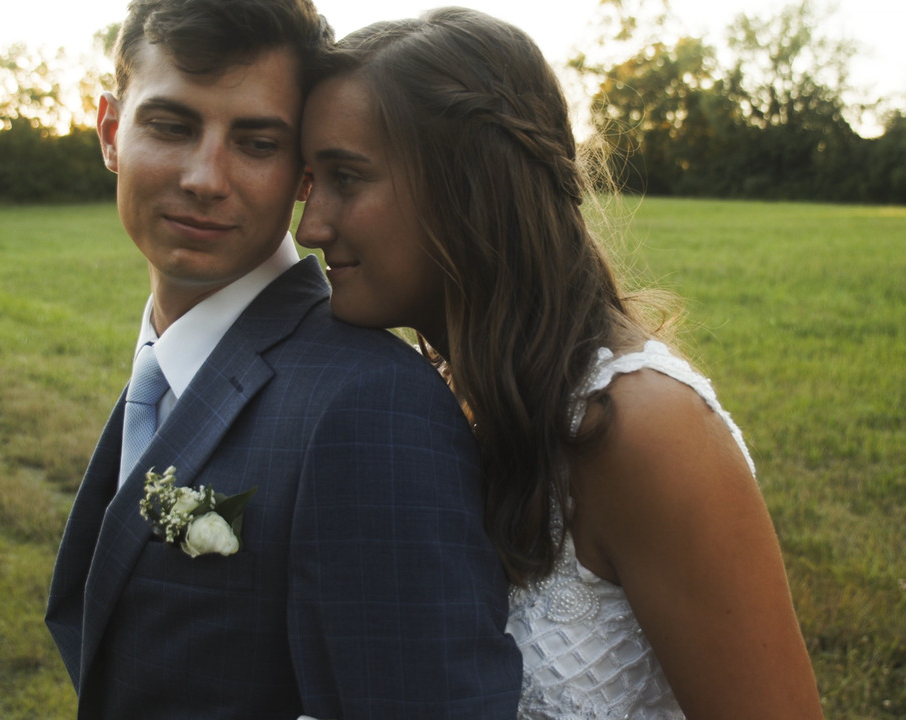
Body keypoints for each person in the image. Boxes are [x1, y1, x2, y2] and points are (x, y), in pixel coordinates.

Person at [295, 7, 824, 719]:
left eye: (346, 179)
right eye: (309, 180)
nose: (311, 226)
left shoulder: (646, 428)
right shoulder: (439, 395)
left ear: (469, 190)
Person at [44, 1, 522, 717]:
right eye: (172, 126)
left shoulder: (369, 406)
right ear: (111, 132)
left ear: (304, 174)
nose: (206, 177)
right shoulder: (168, 367)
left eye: (257, 142)